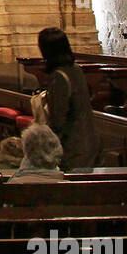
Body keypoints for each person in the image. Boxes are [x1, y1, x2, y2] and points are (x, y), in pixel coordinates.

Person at [36, 26, 102, 170]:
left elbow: (58, 119)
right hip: (89, 141)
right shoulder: (76, 69)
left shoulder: (59, 77)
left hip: (73, 147)